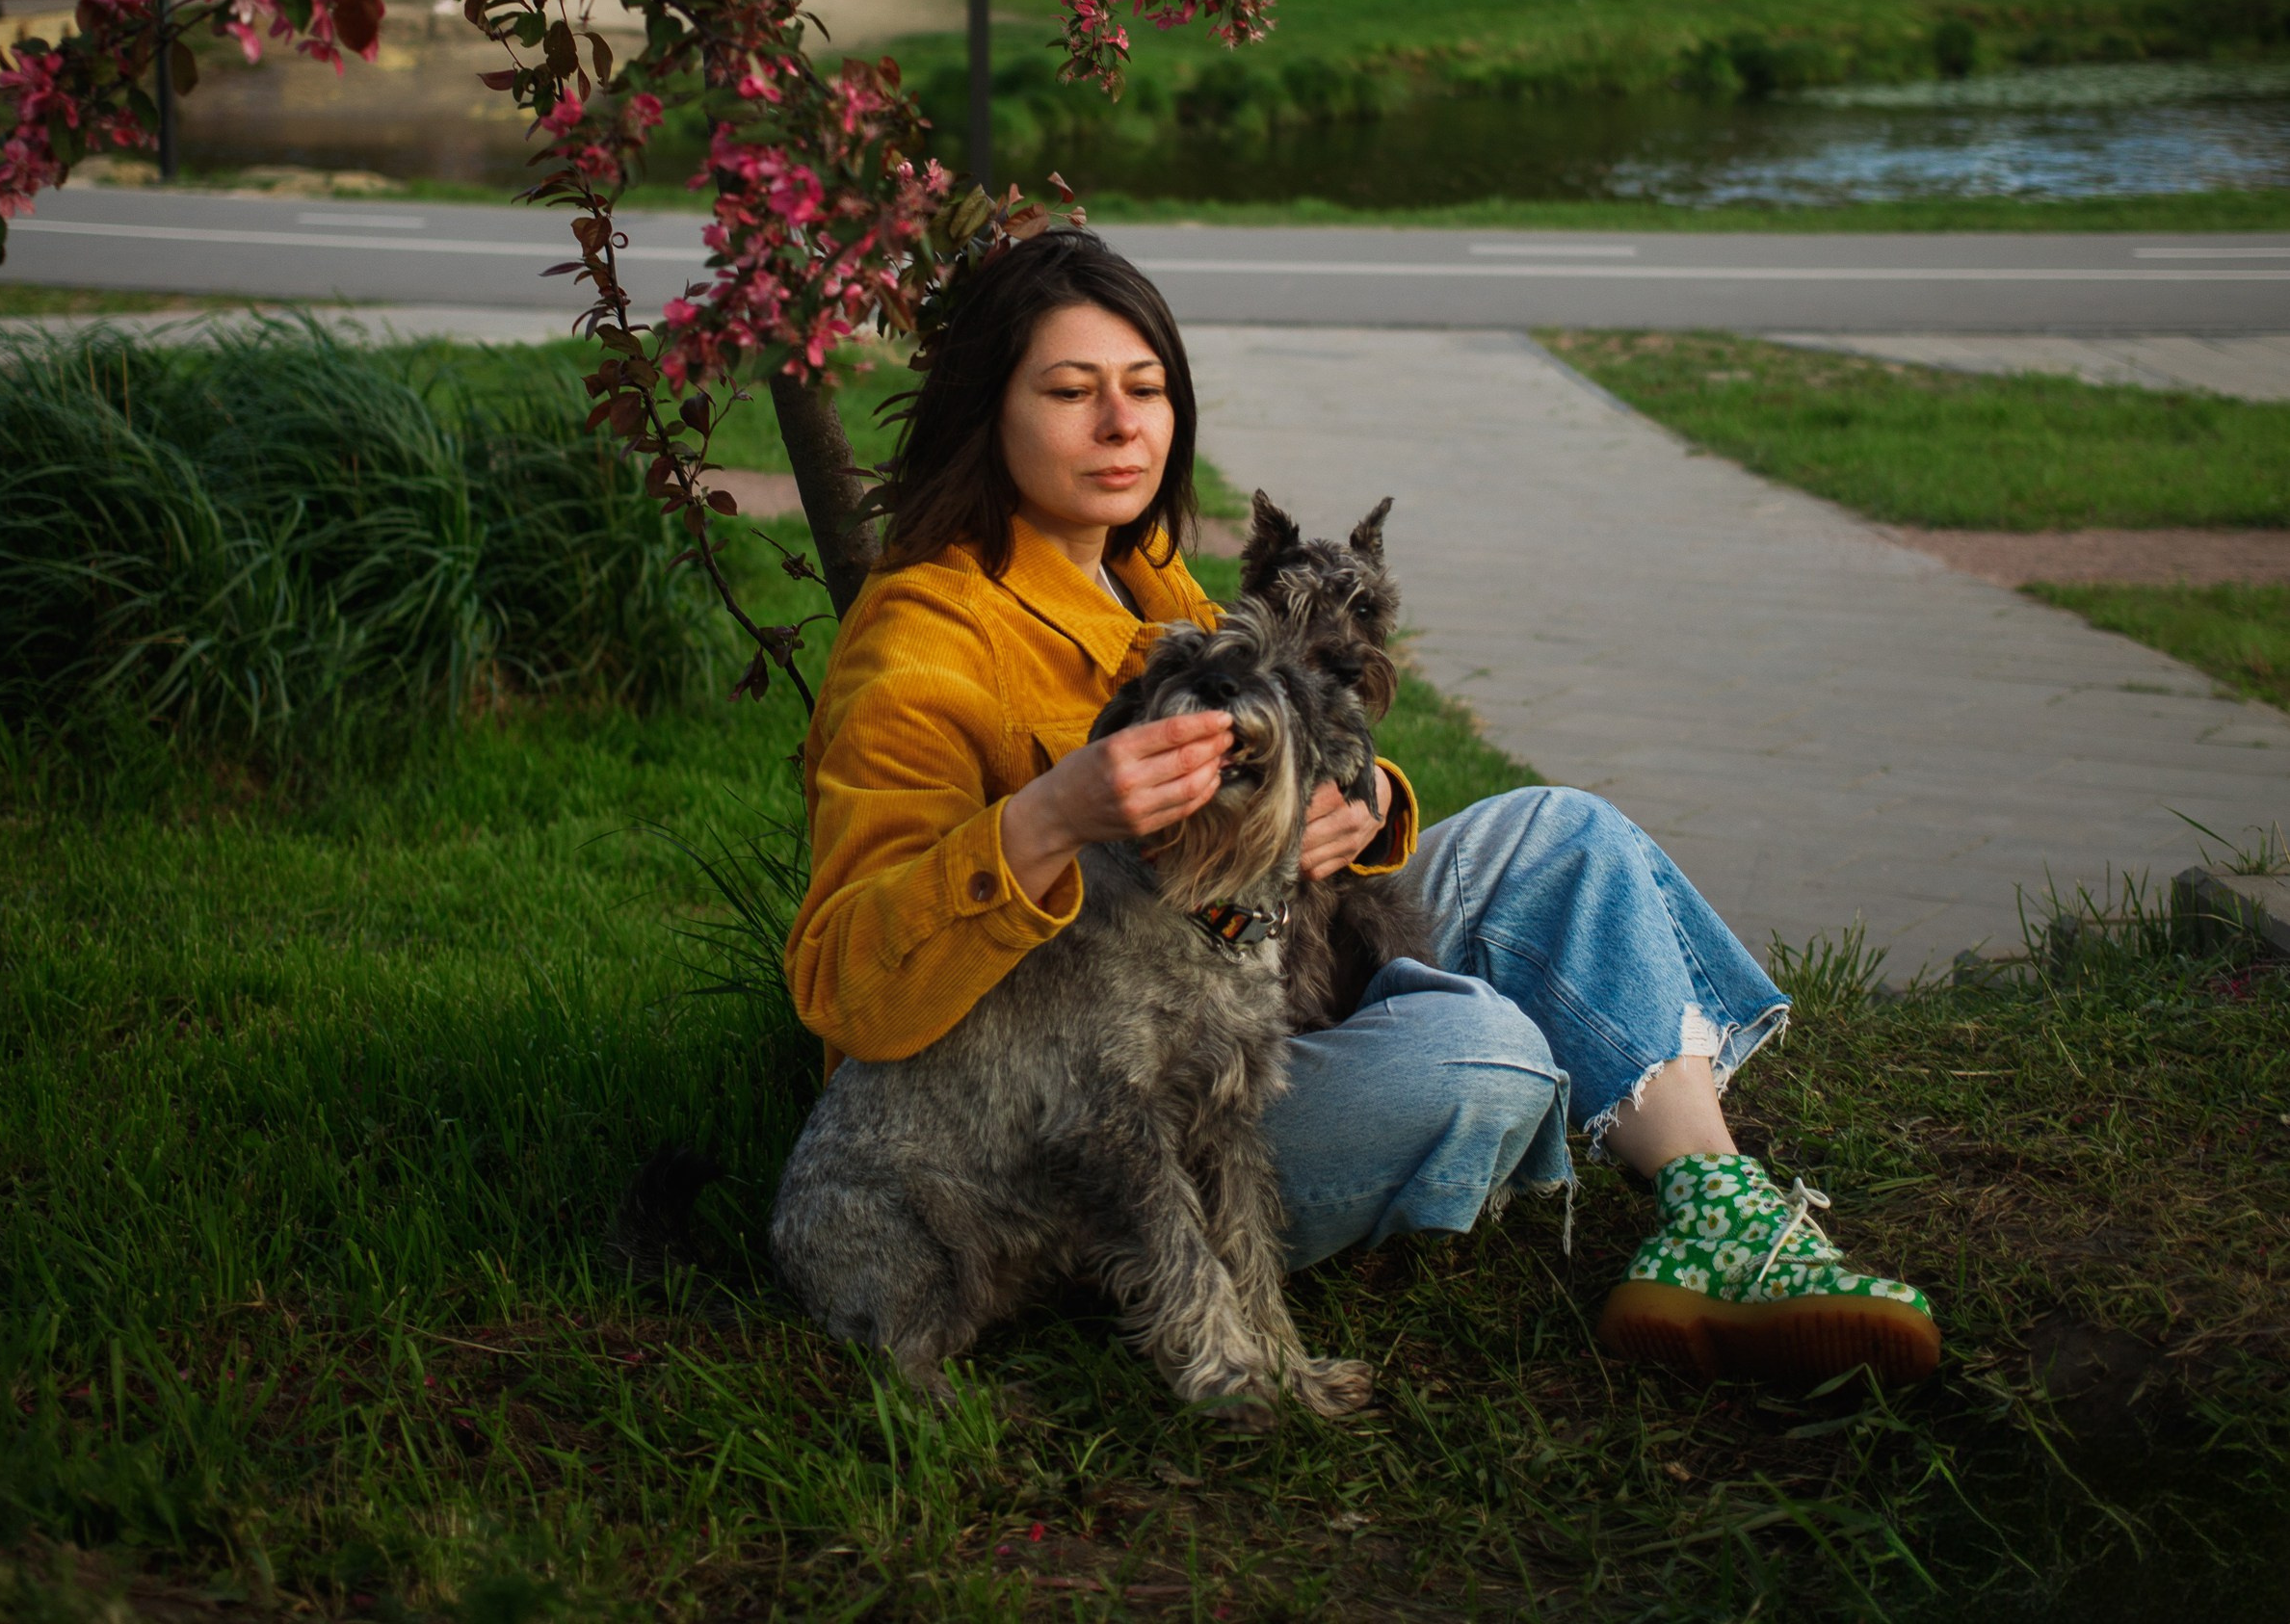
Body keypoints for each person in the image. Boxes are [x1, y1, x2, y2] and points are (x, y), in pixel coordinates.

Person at [784, 230, 1938, 1384]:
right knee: (1480, 1062)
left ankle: (1715, 1211)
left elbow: (1296, 755)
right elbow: (845, 990)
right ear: (988, 410)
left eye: (1147, 388)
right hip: (1100, 1123)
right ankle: (1175, 1276)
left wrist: (1366, 805)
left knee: (1566, 832)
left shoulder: (1141, 575)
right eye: (1071, 392)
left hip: (1257, 970)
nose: (1122, 426)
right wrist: (1048, 817)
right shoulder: (922, 645)